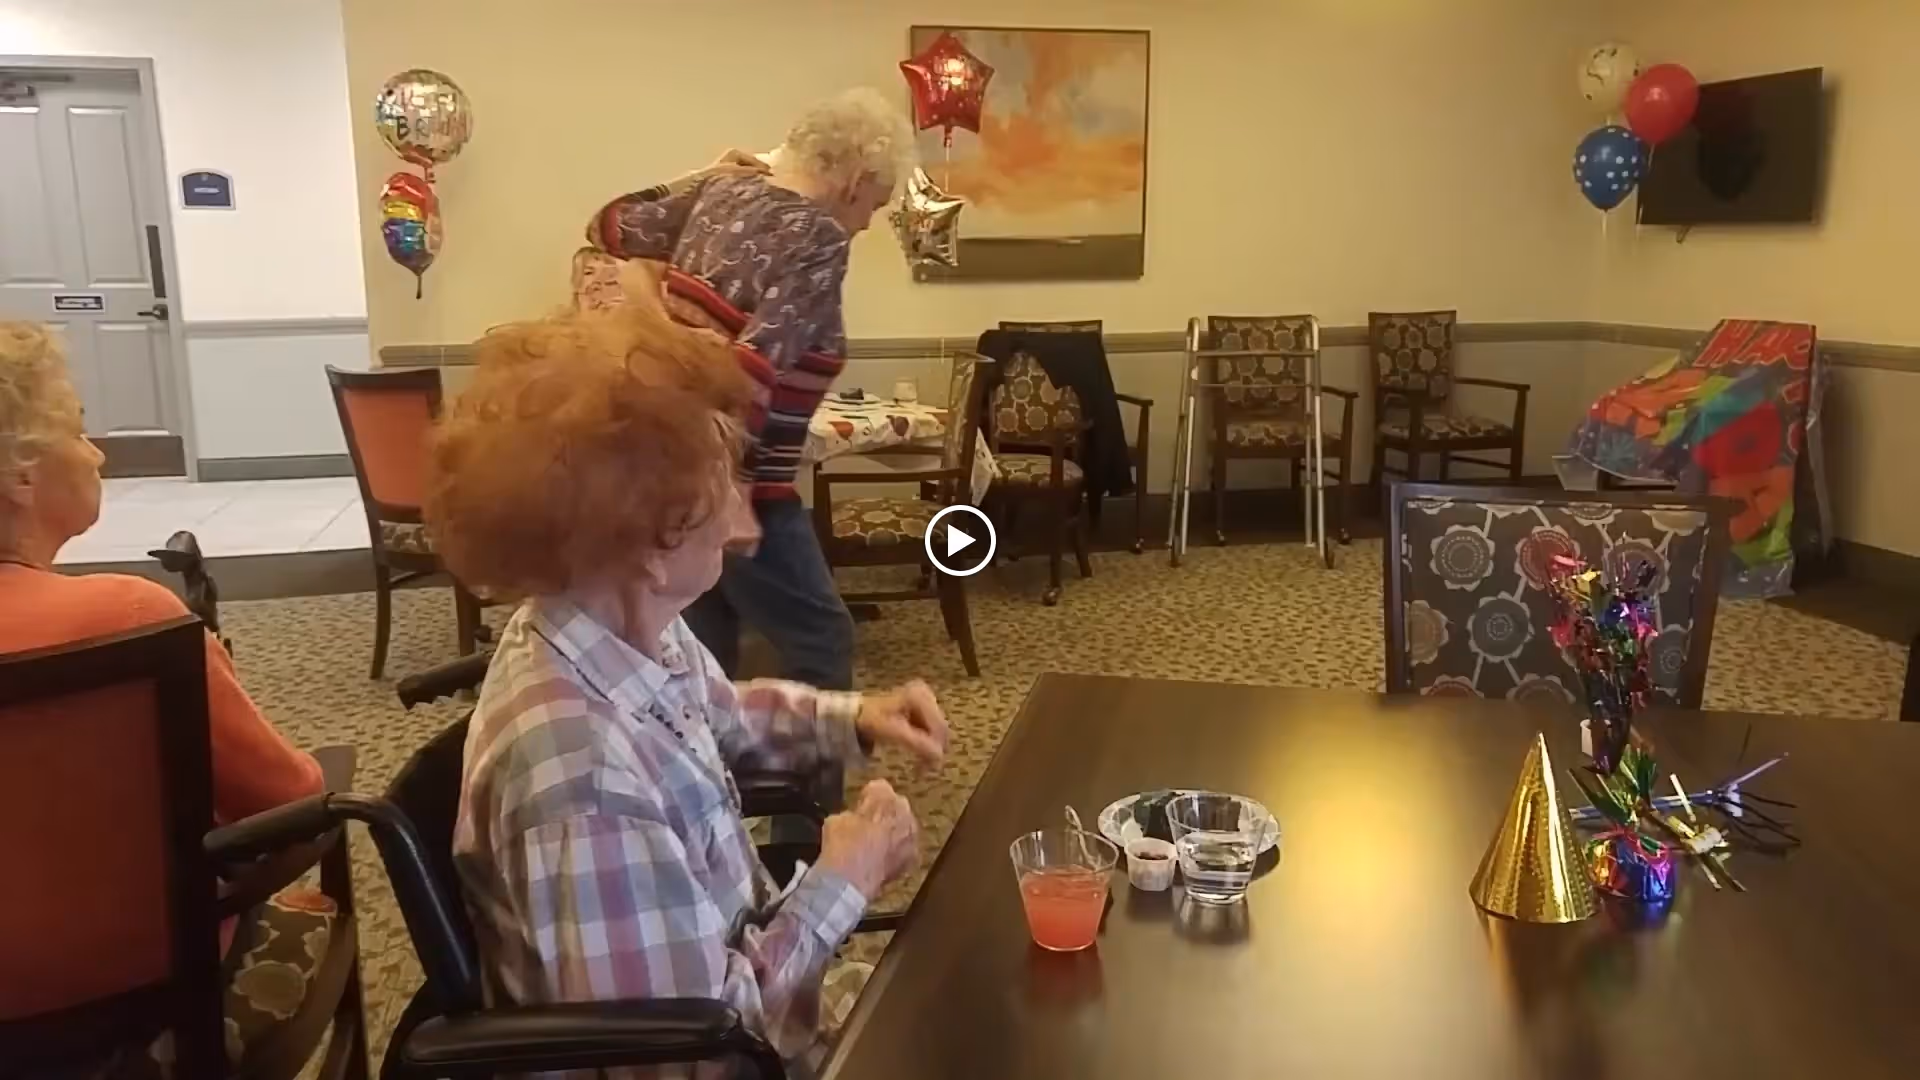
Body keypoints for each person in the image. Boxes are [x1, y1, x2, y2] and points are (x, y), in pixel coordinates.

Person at [430, 297, 946, 1074]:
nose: (743, 521)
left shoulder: (615, 624)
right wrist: (847, 877)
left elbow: (720, 713)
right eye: (723, 484)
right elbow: (693, 1053)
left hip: (762, 989)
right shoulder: (583, 782)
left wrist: (857, 717)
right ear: (643, 538)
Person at [584, 87, 915, 694]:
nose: (869, 222)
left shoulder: (720, 192)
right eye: (877, 202)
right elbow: (751, 372)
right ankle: (812, 760)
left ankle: (704, 757)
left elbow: (609, 225)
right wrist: (736, 495)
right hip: (743, 482)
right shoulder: (819, 237)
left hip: (675, 472)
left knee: (703, 649)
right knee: (823, 641)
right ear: (856, 180)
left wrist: (697, 177)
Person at [0, 321, 322, 821]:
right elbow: (286, 796)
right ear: (21, 475)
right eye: (77, 432)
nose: (97, 454)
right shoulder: (127, 617)